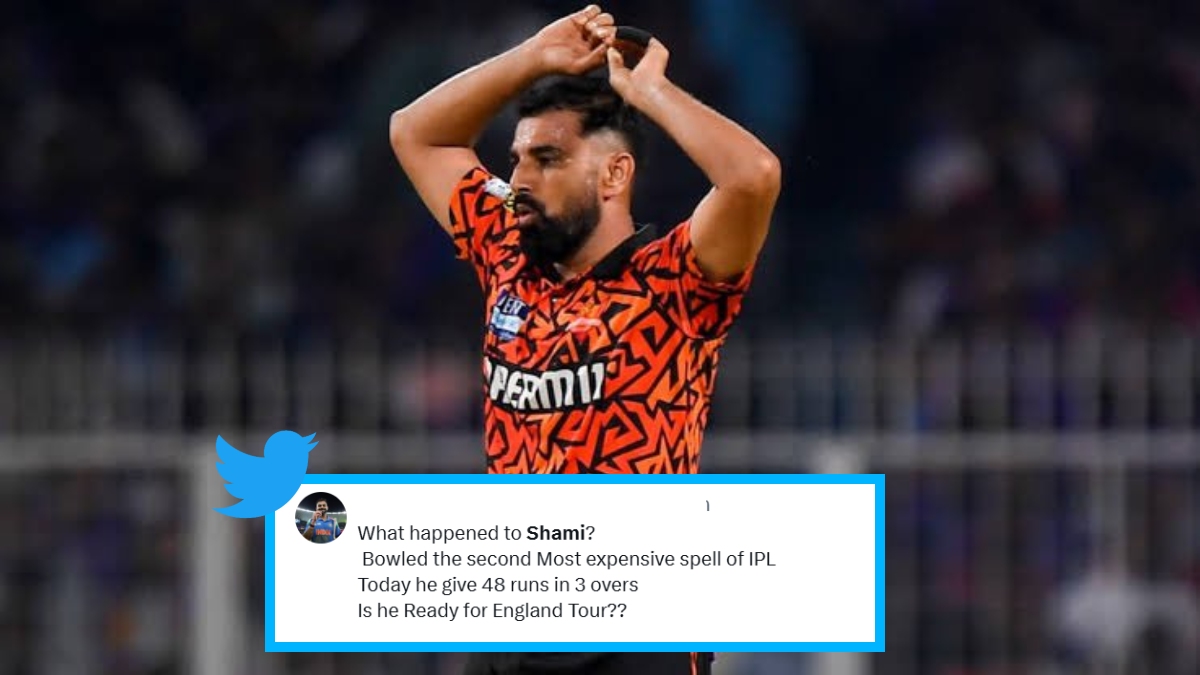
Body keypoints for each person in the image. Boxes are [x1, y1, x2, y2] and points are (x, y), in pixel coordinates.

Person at [390, 5, 780, 674]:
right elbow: (414, 133)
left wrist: (649, 92)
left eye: (547, 160)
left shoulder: (674, 282)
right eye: (517, 160)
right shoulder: (506, 254)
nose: (519, 182)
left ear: (613, 175)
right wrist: (533, 57)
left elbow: (754, 177)